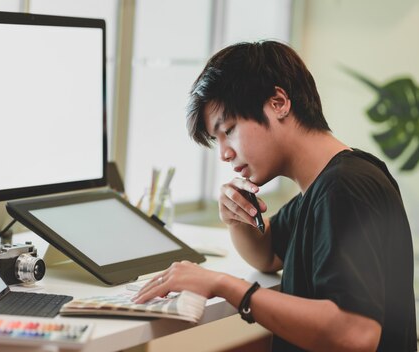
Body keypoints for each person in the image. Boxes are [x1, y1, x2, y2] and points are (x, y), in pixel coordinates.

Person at [132, 40, 416, 351]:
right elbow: (267, 255)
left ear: (278, 103)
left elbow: (355, 335)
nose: (224, 154)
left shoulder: (344, 188)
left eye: (228, 129)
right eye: (217, 140)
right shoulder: (324, 184)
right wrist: (235, 220)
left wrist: (224, 285)